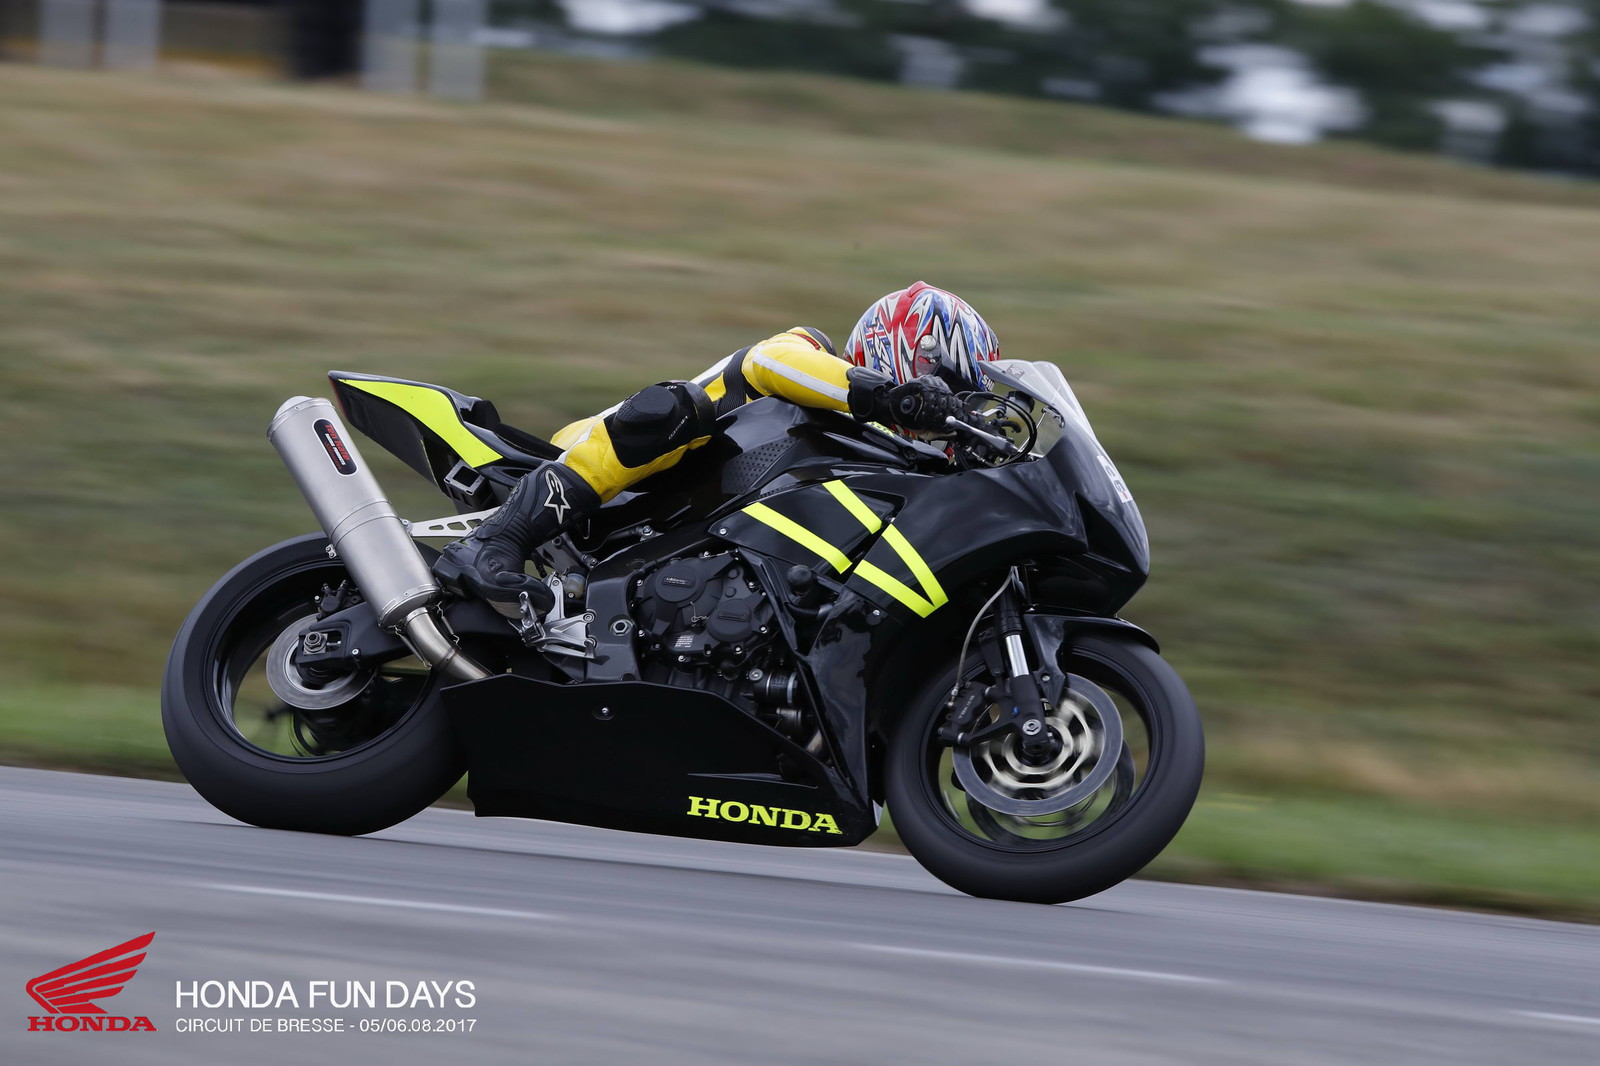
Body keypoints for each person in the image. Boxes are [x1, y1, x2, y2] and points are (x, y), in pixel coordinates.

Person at [434, 282, 1002, 616]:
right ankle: (497, 539)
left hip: (678, 538)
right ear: (909, 355)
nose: (952, 412)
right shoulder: (810, 354)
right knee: (679, 405)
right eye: (950, 390)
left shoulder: (874, 458)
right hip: (600, 473)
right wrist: (889, 398)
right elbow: (767, 362)